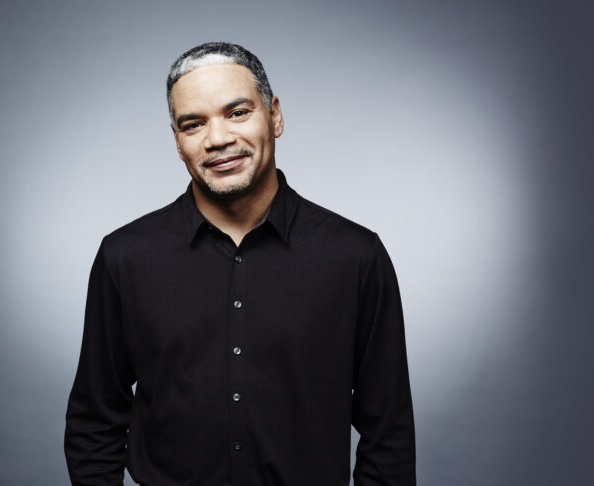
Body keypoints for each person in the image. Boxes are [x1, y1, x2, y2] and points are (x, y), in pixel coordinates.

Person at [64, 41, 416, 486]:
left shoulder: (356, 257)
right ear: (178, 142)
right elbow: (95, 420)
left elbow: (389, 434)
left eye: (237, 113)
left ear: (275, 116)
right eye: (193, 124)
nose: (217, 139)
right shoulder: (124, 258)